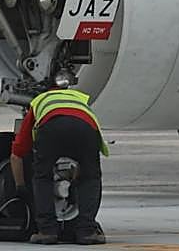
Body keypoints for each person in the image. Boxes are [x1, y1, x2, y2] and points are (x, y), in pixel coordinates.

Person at [9, 87, 108, 245]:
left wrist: (20, 186)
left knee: (42, 177)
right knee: (91, 178)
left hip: (52, 128)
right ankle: (87, 232)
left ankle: (47, 231)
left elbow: (17, 155)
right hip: (86, 128)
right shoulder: (79, 99)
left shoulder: (40, 102)